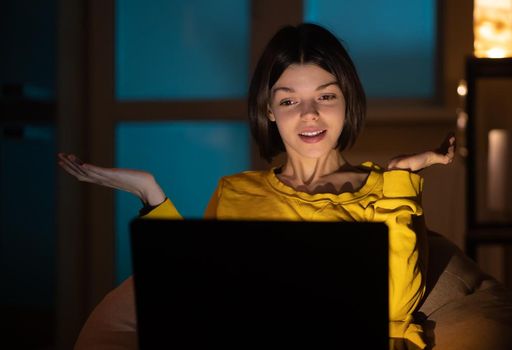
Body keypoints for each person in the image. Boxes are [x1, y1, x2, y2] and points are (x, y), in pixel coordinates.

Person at [58, 23, 454, 349]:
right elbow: (196, 295)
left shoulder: (387, 189)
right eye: (288, 101)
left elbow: (396, 309)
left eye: (326, 96)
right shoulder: (236, 191)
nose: (309, 114)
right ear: (268, 110)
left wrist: (402, 174)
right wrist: (151, 194)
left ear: (348, 100)